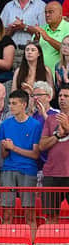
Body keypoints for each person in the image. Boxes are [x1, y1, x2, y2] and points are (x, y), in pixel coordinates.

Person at [0, 90, 42, 232]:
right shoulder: (5, 125)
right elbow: (3, 155)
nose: (11, 106)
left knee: (29, 214)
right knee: (7, 213)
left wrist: (14, 148)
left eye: (14, 103)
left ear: (23, 105)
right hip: (8, 169)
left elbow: (35, 154)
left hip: (28, 171)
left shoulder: (35, 125)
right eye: (10, 103)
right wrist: (6, 147)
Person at [39, 85, 69, 223]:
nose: (62, 99)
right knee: (51, 215)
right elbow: (42, 145)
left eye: (66, 96)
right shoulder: (51, 119)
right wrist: (57, 135)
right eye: (61, 96)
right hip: (51, 174)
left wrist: (67, 127)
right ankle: (52, 244)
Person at [1, 0, 46, 67]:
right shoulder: (8, 6)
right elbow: (0, 33)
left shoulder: (41, 6)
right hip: (12, 52)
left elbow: (45, 32)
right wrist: (12, 28)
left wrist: (24, 27)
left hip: (33, 52)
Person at [31, 1, 69, 72]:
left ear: (60, 14)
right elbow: (31, 51)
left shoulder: (68, 28)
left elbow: (66, 50)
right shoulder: (41, 29)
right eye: (45, 12)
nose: (47, 15)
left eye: (50, 12)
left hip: (62, 77)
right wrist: (36, 40)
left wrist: (48, 39)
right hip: (41, 75)